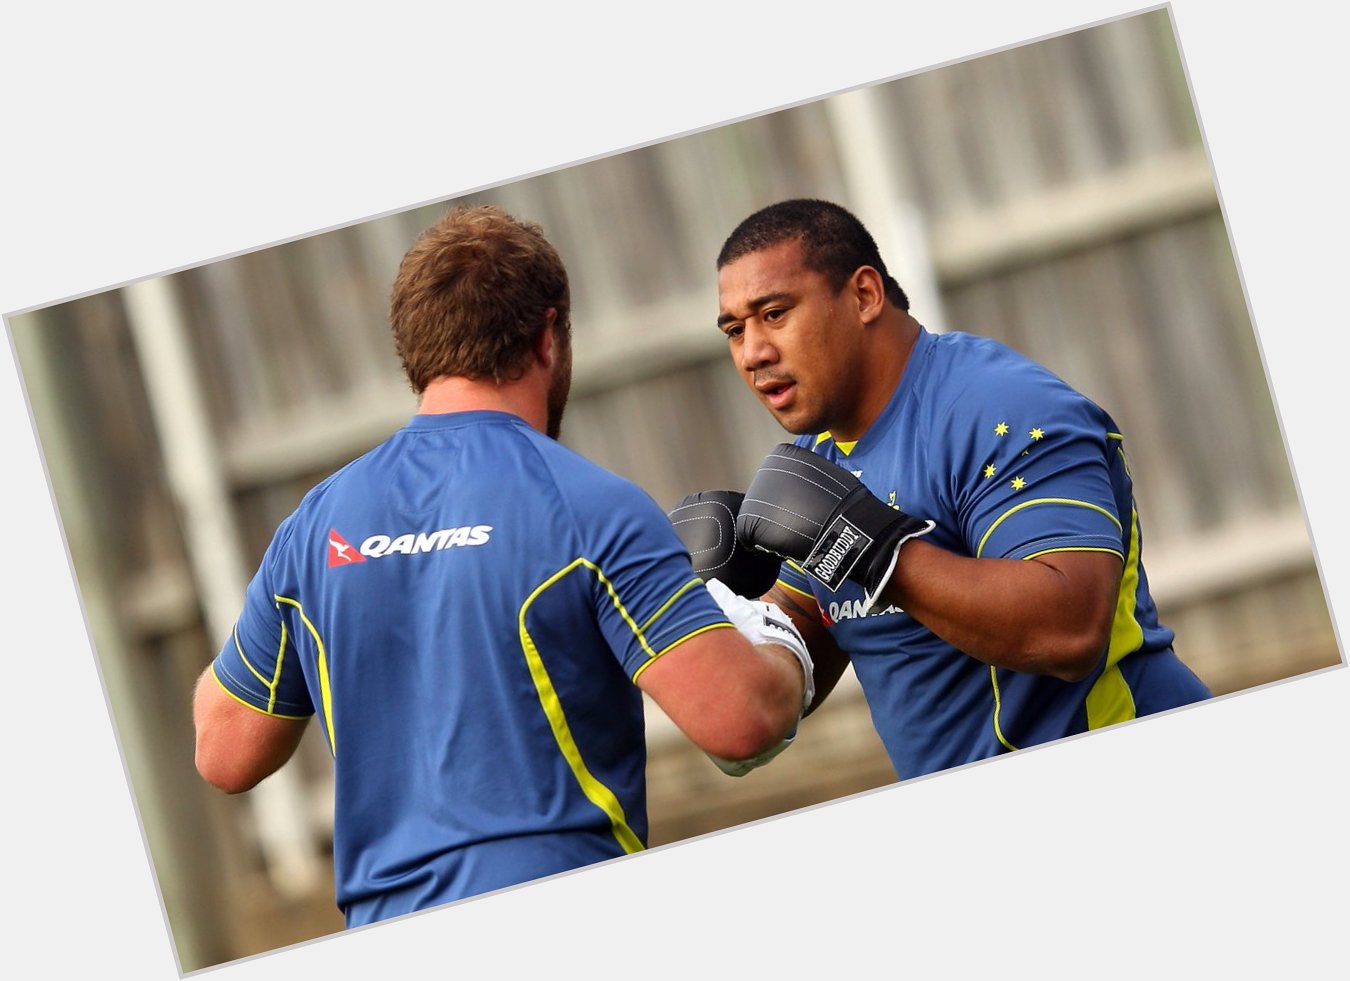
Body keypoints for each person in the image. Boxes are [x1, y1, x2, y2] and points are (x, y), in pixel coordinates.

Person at [192, 205, 812, 928]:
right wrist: (781, 622)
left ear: (413, 351)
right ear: (548, 335)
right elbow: (740, 721)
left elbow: (223, 750)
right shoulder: (591, 506)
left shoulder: (314, 527)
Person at [675, 197, 1210, 782]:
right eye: (734, 329)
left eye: (774, 313)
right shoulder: (818, 459)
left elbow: (1072, 627)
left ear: (863, 295)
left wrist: (874, 551)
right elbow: (792, 656)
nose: (752, 352)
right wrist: (717, 619)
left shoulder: (997, 406)